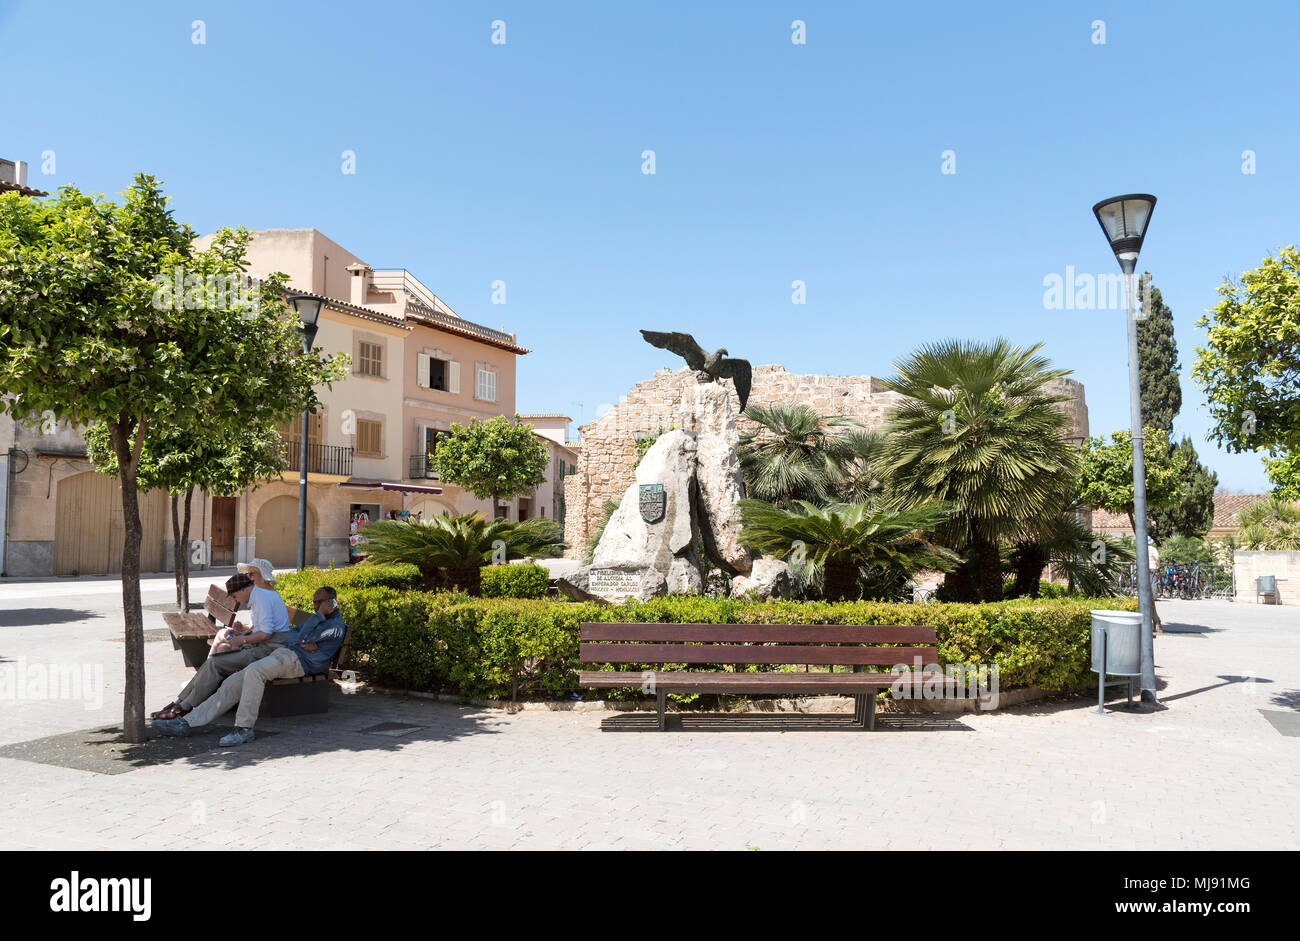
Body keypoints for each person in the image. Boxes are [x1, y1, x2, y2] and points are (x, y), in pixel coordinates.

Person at [153, 587, 347, 746]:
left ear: (332, 602)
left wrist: (317, 619)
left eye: (319, 602)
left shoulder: (335, 626)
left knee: (255, 671)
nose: (315, 607)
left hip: (298, 662)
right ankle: (187, 722)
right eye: (313, 602)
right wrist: (306, 636)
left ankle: (244, 729)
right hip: (286, 654)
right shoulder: (321, 622)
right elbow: (297, 636)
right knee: (233, 681)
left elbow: (303, 637)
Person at [150, 571, 290, 720]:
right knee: (215, 659)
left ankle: (183, 707)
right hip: (264, 645)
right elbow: (260, 629)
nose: (238, 601)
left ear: (243, 589)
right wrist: (242, 631)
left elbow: (266, 634)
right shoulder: (260, 596)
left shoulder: (261, 599)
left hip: (269, 649)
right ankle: (179, 703)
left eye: (235, 596)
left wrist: (241, 640)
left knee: (215, 663)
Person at [1146, 537, 1163, 633]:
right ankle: (1154, 594)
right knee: (1153, 582)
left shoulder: (1142, 549)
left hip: (1145, 568)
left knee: (1148, 583)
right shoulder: (1153, 549)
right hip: (1152, 568)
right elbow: (1157, 558)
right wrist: (1158, 565)